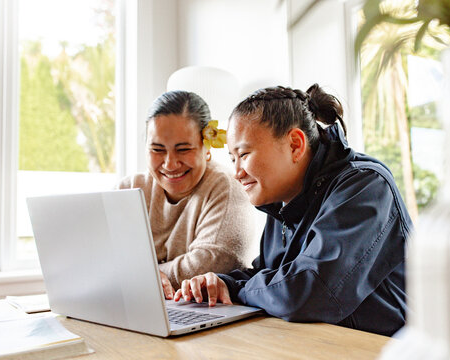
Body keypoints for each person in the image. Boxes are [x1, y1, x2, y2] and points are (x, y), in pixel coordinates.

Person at [174, 84, 413, 337]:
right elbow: (272, 276)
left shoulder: (365, 186)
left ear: (295, 145)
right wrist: (224, 283)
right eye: (233, 159)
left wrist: (239, 291)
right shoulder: (284, 201)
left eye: (244, 154)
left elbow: (312, 290)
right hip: (319, 346)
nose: (237, 172)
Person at [117, 90, 255, 298]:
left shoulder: (225, 187)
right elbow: (100, 261)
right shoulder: (129, 188)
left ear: (206, 147)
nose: (170, 163)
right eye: (157, 149)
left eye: (183, 149)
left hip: (204, 312)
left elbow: (210, 263)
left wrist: (145, 274)